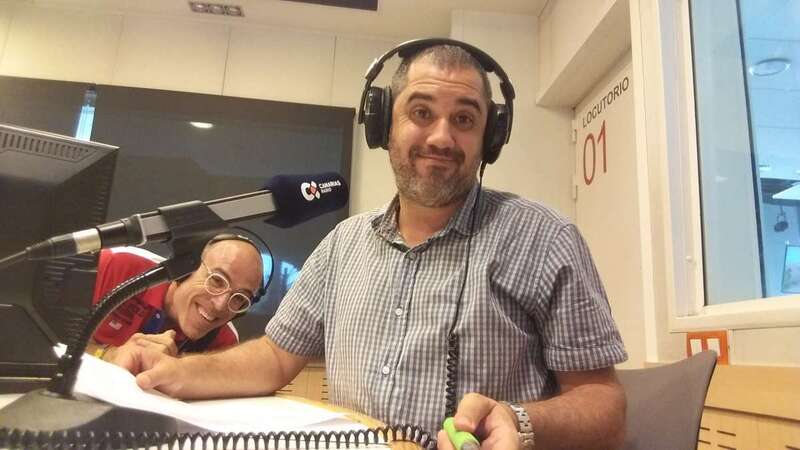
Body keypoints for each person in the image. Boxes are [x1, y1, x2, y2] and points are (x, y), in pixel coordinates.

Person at [122, 40, 628, 450]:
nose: (441, 137)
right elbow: (275, 357)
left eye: (464, 119)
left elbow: (604, 404)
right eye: (422, 112)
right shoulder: (343, 244)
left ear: (490, 137)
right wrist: (178, 373)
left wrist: (520, 422)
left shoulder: (544, 238)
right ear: (384, 124)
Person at [87, 234, 264, 368]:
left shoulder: (224, 343)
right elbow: (68, 339)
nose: (220, 305)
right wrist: (109, 355)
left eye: (239, 298)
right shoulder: (113, 266)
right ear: (184, 270)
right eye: (217, 280)